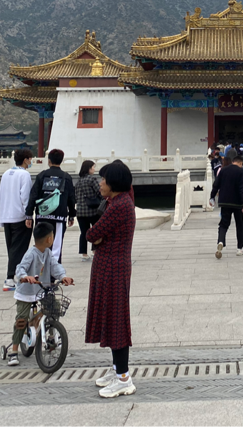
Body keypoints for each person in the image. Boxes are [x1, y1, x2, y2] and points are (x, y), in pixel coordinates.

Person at [86, 161, 137, 398]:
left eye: (104, 179)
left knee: (116, 320)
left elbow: (92, 234)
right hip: (110, 266)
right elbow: (96, 236)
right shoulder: (116, 202)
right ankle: (117, 369)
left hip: (113, 268)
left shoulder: (119, 206)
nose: (100, 183)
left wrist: (97, 237)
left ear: (114, 183)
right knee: (111, 317)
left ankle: (124, 378)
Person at [6, 221, 74, 367]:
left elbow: (55, 266)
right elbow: (20, 268)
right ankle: (14, 350)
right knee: (21, 320)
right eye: (53, 236)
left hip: (42, 290)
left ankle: (51, 335)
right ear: (49, 239)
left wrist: (63, 277)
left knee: (54, 308)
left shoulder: (48, 253)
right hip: (26, 291)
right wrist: (25, 277)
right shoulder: (31, 254)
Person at [26, 149, 75, 264]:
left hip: (42, 215)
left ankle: (39, 270)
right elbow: (71, 198)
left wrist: (29, 215)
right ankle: (53, 271)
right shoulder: (66, 177)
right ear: (61, 161)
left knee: (40, 245)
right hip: (59, 216)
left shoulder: (42, 176)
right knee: (56, 246)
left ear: (49, 161)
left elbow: (33, 196)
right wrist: (72, 215)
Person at [0, 148, 33, 291]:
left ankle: (17, 274)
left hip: (7, 215)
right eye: (30, 159)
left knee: (12, 248)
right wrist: (28, 215)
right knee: (18, 248)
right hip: (19, 216)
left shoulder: (6, 173)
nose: (31, 161)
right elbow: (25, 196)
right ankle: (10, 277)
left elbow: (1, 195)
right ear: (25, 160)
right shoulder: (24, 174)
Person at [210, 151, 243, 258]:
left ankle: (221, 241)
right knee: (240, 224)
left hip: (224, 201)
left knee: (223, 224)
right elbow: (242, 189)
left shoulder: (223, 170)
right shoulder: (241, 172)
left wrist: (212, 197)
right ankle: (240, 248)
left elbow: (216, 184)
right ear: (240, 163)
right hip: (237, 203)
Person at [74, 160, 103, 262]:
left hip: (80, 212)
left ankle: (84, 253)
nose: (94, 169)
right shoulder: (92, 179)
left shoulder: (78, 181)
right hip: (92, 210)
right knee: (95, 231)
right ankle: (95, 251)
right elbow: (100, 192)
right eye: (93, 167)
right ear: (89, 169)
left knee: (83, 232)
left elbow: (76, 196)